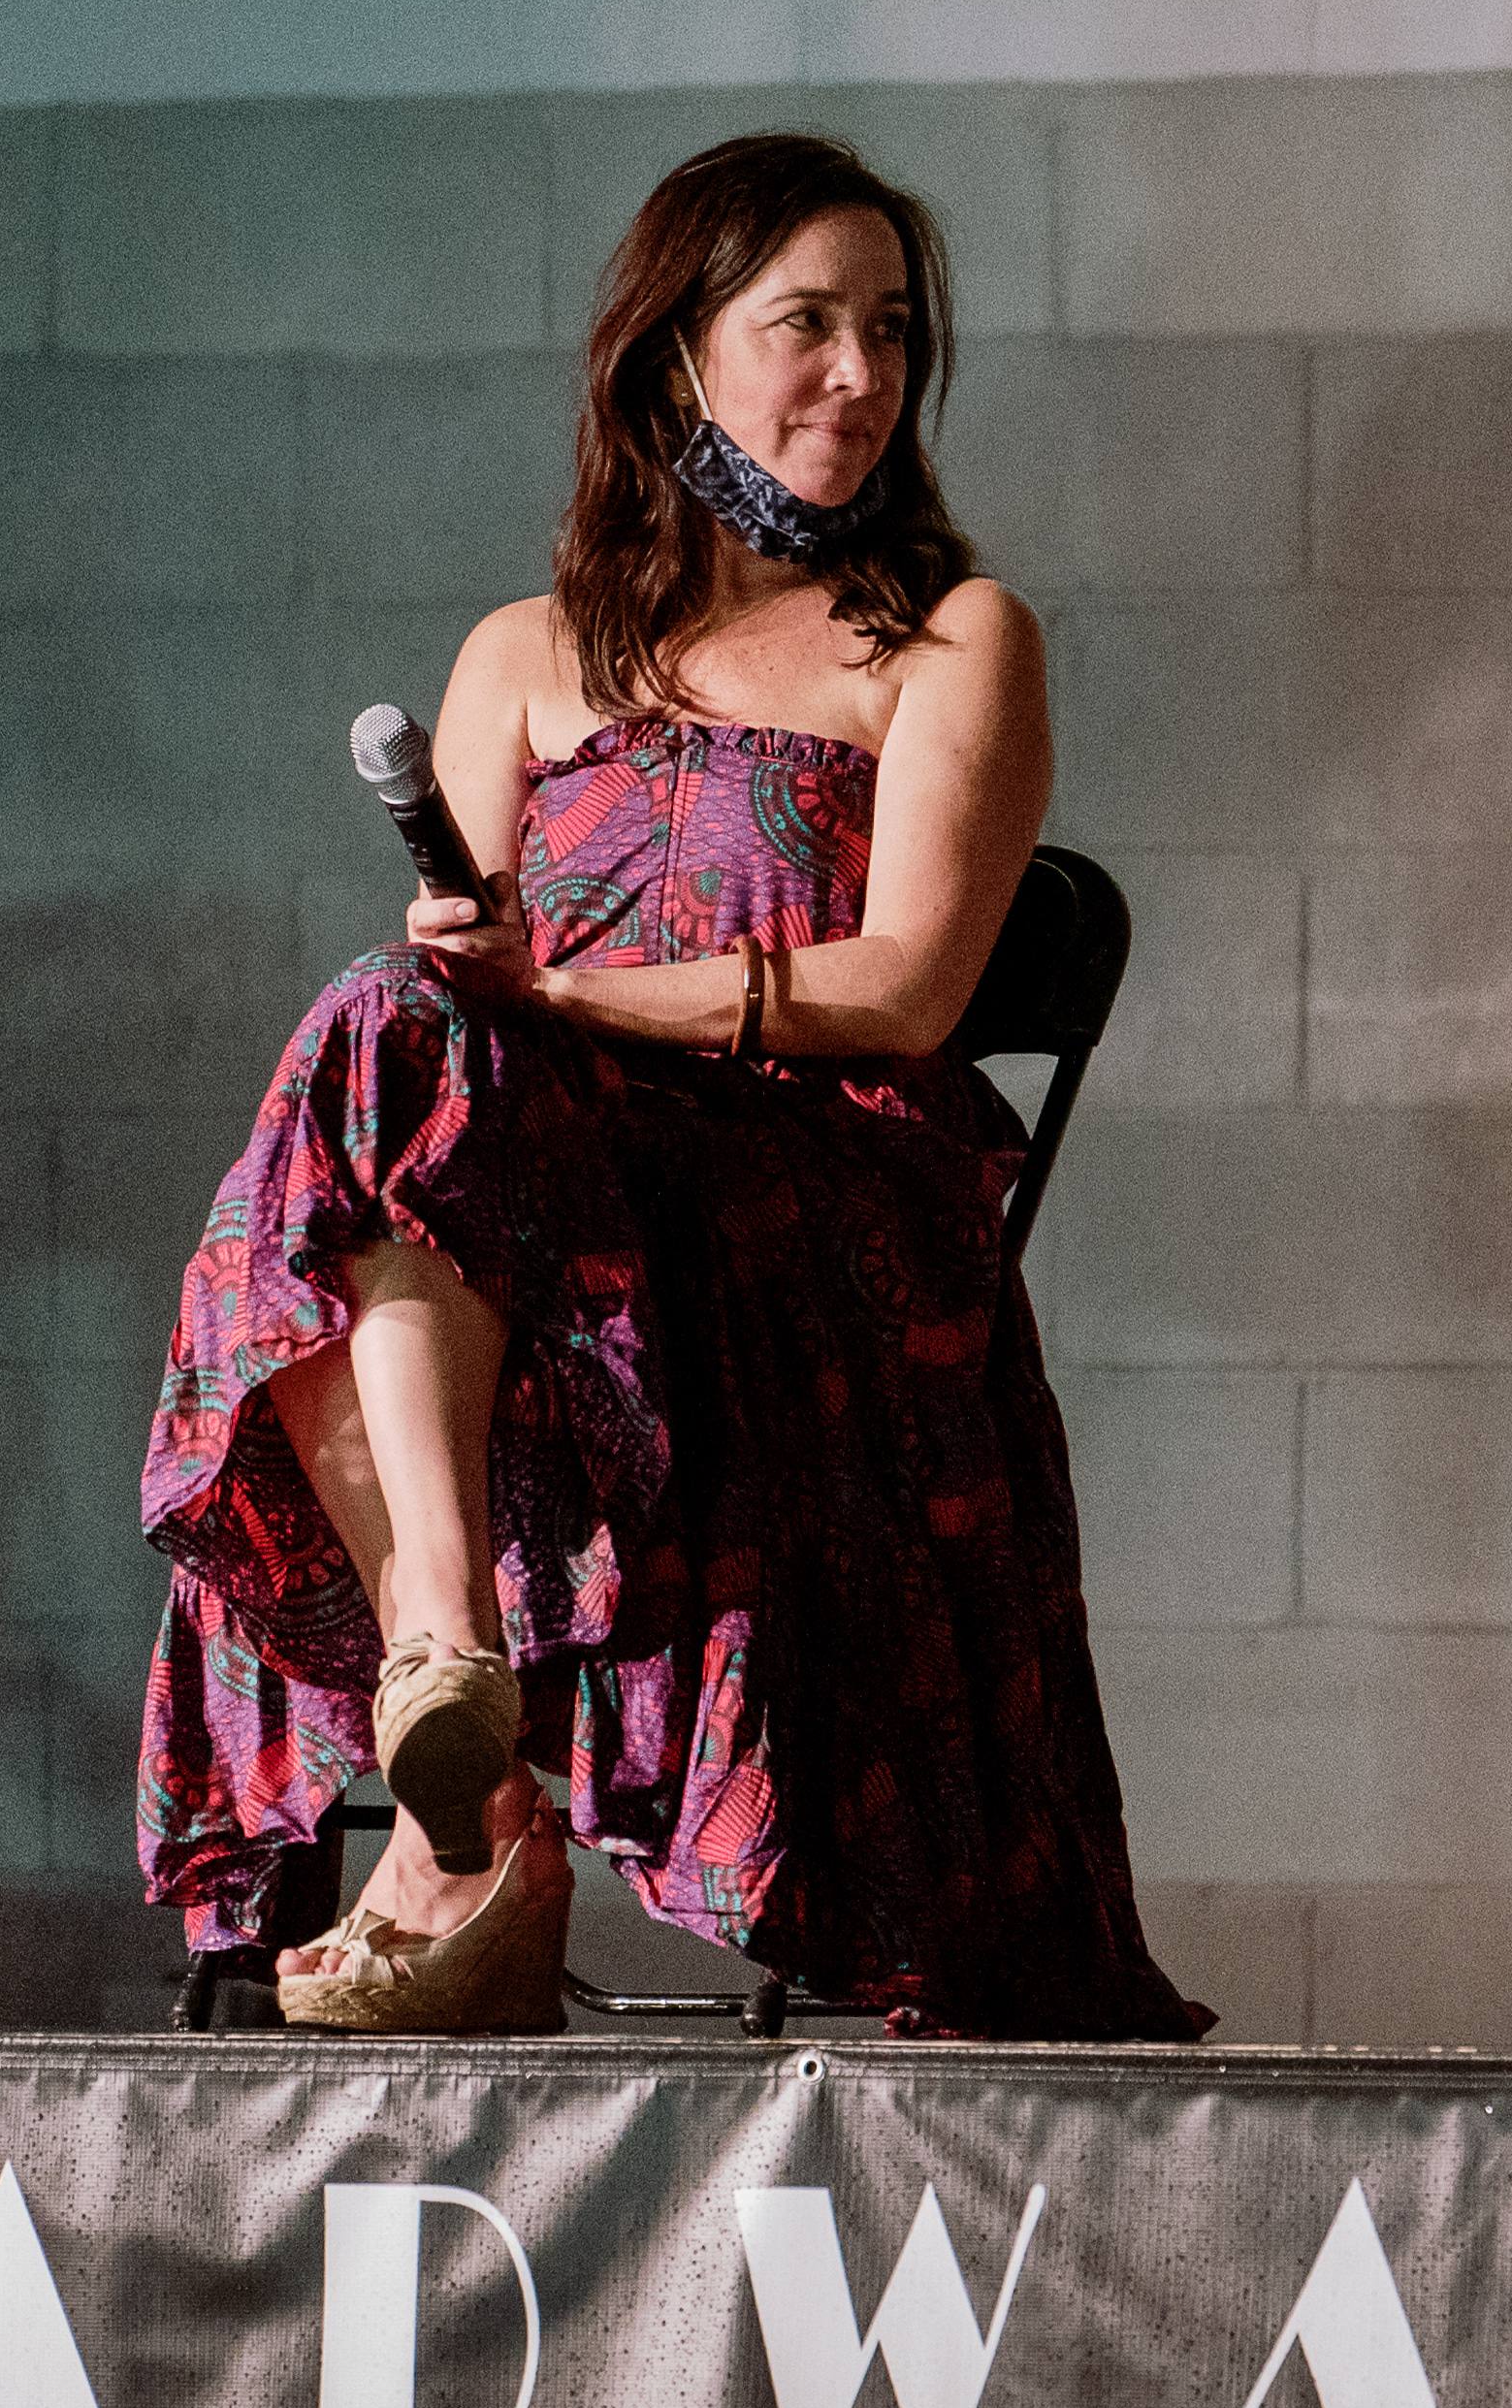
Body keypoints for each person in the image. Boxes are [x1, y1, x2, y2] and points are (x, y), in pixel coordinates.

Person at [136, 131, 1209, 2040]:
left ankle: (461, 1827)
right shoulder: (524, 658)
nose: (862, 378)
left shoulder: (948, 638)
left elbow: (900, 997)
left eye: (892, 332)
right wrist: (480, 969)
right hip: (550, 1228)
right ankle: (447, 1666)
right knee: (386, 1041)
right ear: (675, 355)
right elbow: (460, 1014)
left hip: (811, 1209)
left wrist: (573, 994)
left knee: (397, 1088)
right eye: (810, 324)